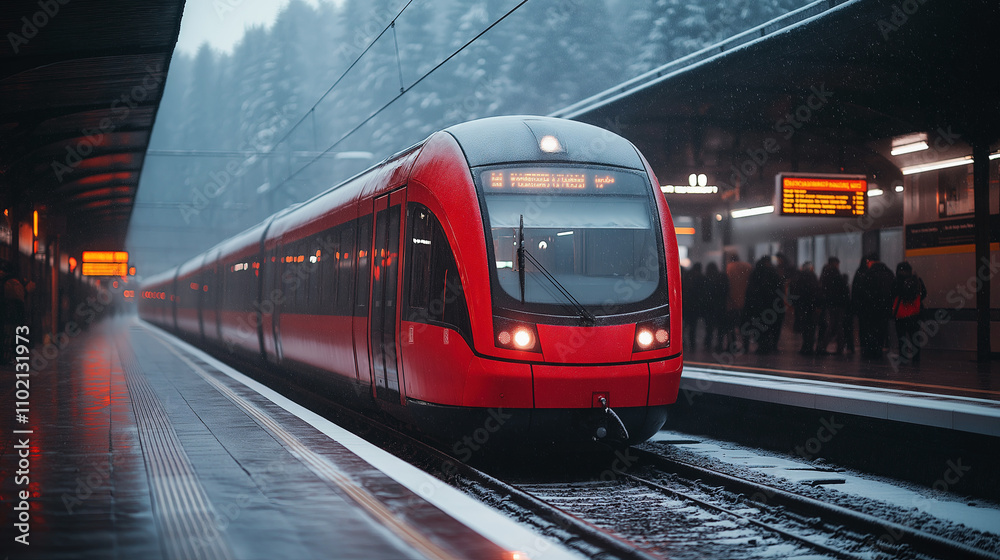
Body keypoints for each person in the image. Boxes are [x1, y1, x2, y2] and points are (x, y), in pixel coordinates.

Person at [853, 254, 894, 360]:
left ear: (869, 262)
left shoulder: (867, 274)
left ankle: (871, 351)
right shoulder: (888, 273)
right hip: (884, 309)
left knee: (870, 331)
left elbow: (861, 293)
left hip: (870, 310)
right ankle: (879, 350)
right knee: (881, 330)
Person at [743, 256, 784, 354]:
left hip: (758, 306)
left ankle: (762, 346)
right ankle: (772, 345)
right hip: (772, 305)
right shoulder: (773, 273)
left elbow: (750, 290)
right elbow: (779, 289)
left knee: (760, 327)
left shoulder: (755, 273)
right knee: (772, 326)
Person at [892, 261, 927, 364]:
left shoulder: (897, 281)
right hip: (915, 314)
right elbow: (924, 293)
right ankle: (916, 359)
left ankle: (903, 357)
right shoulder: (916, 280)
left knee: (902, 338)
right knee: (915, 337)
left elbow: (892, 294)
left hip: (901, 315)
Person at [817, 257, 850, 354]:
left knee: (834, 324)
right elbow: (841, 288)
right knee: (836, 325)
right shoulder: (834, 273)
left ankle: (826, 346)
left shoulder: (826, 273)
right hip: (837, 303)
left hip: (831, 302)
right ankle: (835, 346)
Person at [790, 262, 820, 354]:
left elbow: (794, 290)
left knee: (805, 327)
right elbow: (816, 291)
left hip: (802, 305)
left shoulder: (799, 277)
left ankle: (806, 346)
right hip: (810, 305)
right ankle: (809, 346)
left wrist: (795, 303)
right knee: (811, 327)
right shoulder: (812, 277)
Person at [724, 253, 752, 351]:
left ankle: (732, 345)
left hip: (732, 303)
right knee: (745, 326)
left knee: (731, 326)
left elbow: (727, 284)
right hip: (745, 301)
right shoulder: (747, 267)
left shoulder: (729, 267)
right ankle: (746, 345)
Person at [703, 261, 729, 351]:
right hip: (721, 306)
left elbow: (705, 294)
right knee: (720, 328)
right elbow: (726, 291)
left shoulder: (706, 278)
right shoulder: (722, 277)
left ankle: (708, 344)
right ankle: (719, 345)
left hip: (709, 307)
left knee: (709, 328)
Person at [682, 262, 706, 349]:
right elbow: (702, 293)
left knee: (684, 326)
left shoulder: (688, 276)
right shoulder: (701, 277)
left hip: (686, 304)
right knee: (693, 326)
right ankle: (692, 345)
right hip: (695, 306)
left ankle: (683, 343)